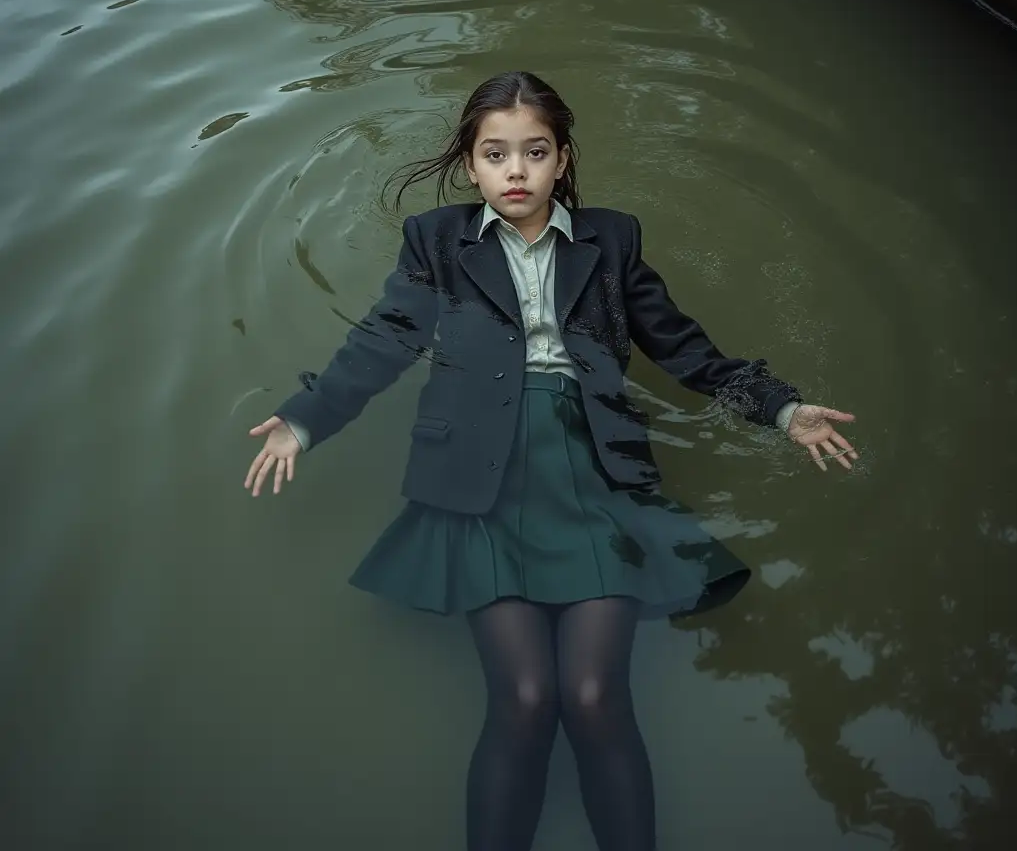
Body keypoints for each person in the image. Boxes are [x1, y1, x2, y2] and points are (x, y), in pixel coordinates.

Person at [242, 70, 858, 851]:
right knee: (528, 698)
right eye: (496, 154)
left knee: (596, 694)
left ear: (562, 159)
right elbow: (385, 337)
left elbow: (683, 348)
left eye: (535, 152)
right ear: (471, 165)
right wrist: (306, 419)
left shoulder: (612, 240)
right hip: (480, 477)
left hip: (595, 471)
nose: (516, 171)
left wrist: (782, 408)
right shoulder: (435, 245)